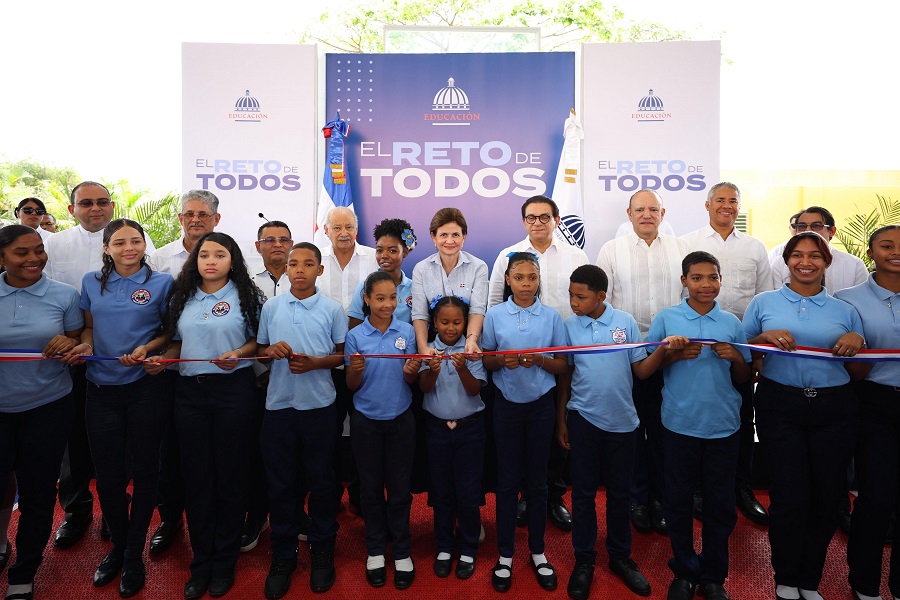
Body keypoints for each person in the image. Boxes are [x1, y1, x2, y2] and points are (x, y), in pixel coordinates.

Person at [744, 231, 867, 600]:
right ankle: (786, 575)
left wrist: (858, 343)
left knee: (827, 496)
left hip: (834, 408)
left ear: (827, 262)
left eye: (815, 256)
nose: (806, 262)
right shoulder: (763, 302)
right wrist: (762, 340)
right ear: (787, 261)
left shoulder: (845, 310)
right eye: (798, 255)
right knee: (789, 495)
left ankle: (810, 579)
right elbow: (744, 359)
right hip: (780, 406)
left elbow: (859, 372)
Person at [145, 232, 264, 599]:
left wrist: (238, 353)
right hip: (189, 395)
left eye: (220, 254)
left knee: (229, 477)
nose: (210, 261)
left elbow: (258, 341)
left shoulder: (247, 295)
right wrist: (162, 360)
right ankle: (202, 562)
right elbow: (178, 342)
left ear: (234, 260)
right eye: (204, 255)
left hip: (234, 392)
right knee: (196, 477)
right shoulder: (181, 296)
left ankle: (225, 560)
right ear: (194, 260)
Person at [67, 219, 173, 598]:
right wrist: (86, 344)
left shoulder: (162, 283)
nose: (129, 247)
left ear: (145, 245)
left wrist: (151, 348)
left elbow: (168, 331)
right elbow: (89, 328)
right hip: (100, 389)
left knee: (146, 472)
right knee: (109, 476)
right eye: (119, 242)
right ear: (107, 248)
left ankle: (132, 554)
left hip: (145, 388)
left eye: (136, 241)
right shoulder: (90, 281)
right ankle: (117, 546)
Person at [557, 264, 671, 600]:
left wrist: (663, 349)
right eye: (571, 295)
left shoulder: (625, 322)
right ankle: (584, 560)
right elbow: (566, 374)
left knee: (621, 496)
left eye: (581, 296)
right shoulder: (568, 326)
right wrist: (561, 419)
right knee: (583, 495)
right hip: (583, 420)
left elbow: (642, 371)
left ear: (601, 296)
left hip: (623, 423)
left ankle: (621, 557)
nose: (574, 302)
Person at [646, 252, 752, 600]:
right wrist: (670, 352)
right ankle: (684, 570)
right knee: (676, 500)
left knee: (720, 504)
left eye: (713, 277)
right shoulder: (667, 318)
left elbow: (743, 377)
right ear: (684, 282)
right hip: (678, 425)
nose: (706, 284)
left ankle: (713, 575)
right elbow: (649, 369)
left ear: (720, 280)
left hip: (724, 426)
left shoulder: (733, 323)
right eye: (697, 278)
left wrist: (737, 357)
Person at [488, 195, 589, 532]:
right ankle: (525, 496)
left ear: (557, 220)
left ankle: (553, 495)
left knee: (558, 425)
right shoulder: (507, 256)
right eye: (531, 218)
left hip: (562, 351)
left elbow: (584, 301)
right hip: (516, 359)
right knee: (523, 435)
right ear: (523, 221)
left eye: (544, 217)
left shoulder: (575, 256)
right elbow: (493, 303)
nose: (538, 223)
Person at [596, 189, 690, 536]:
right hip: (628, 355)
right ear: (629, 213)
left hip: (670, 354)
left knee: (666, 431)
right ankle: (637, 499)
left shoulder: (680, 249)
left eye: (653, 209)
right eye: (640, 209)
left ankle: (662, 501)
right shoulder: (611, 250)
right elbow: (603, 302)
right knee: (633, 432)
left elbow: (688, 298)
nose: (647, 214)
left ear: (663, 213)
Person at [257, 242, 346, 599]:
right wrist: (271, 352)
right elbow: (262, 352)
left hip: (320, 408)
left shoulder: (332, 308)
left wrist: (315, 363)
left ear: (319, 271)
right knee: (280, 485)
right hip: (278, 408)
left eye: (308, 264)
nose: (299, 270)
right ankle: (284, 554)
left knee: (323, 482)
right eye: (294, 263)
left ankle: (323, 549)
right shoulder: (272, 306)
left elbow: (340, 357)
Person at [0, 225, 83, 600]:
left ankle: (25, 569)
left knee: (37, 491)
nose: (34, 259)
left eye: (39, 250)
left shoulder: (63, 295)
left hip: (48, 407)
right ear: (1, 258)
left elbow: (82, 341)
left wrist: (73, 342)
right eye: (22, 253)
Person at [681, 182, 771, 525]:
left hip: (741, 346)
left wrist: (757, 352)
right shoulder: (689, 242)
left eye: (733, 201)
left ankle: (741, 488)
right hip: (698, 344)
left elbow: (764, 298)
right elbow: (682, 294)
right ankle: (700, 490)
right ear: (707, 206)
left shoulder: (755, 246)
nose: (727, 206)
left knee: (743, 419)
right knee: (699, 416)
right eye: (720, 200)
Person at [481, 252, 568, 593]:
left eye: (532, 277)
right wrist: (501, 362)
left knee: (537, 483)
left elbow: (563, 365)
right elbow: (487, 360)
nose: (526, 284)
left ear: (538, 280)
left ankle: (537, 551)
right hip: (505, 407)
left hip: (540, 409)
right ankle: (505, 555)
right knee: (506, 483)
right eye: (519, 278)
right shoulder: (494, 315)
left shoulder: (551, 317)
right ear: (507, 280)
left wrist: (543, 361)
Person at [145, 189, 222, 556]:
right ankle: (170, 519)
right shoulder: (159, 260)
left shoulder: (227, 257)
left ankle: (220, 523)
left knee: (214, 453)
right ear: (179, 219)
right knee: (170, 451)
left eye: (203, 215)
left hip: (214, 373)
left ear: (216, 220)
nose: (196, 219)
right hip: (167, 366)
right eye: (189, 213)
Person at [345, 272, 421, 590]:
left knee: (401, 491)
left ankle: (402, 552)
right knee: (371, 492)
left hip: (401, 420)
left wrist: (410, 372)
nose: (387, 304)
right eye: (380, 298)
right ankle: (376, 550)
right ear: (366, 299)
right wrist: (354, 371)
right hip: (366, 422)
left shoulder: (406, 332)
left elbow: (412, 382)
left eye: (392, 298)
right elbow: (351, 386)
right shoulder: (355, 336)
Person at [836, 225, 900, 600]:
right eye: (886, 246)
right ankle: (864, 584)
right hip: (872, 402)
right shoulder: (848, 299)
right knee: (876, 496)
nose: (895, 252)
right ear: (871, 251)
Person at [418, 296, 487, 581]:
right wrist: (431, 371)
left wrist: (461, 367)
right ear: (434, 323)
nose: (450, 327)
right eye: (444, 322)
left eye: (457, 322)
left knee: (468, 492)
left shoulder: (472, 351)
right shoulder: (427, 350)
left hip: (470, 429)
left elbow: (474, 391)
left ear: (466, 323)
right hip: (436, 430)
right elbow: (423, 387)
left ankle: (469, 547)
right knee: (442, 491)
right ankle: (445, 547)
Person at [317, 207, 377, 511]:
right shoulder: (315, 261)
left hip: (363, 363)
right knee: (327, 432)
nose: (343, 233)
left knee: (363, 434)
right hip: (325, 363)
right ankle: (327, 494)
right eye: (337, 227)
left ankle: (360, 494)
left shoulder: (373, 259)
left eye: (349, 227)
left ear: (357, 228)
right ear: (325, 230)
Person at [241, 220, 294, 554]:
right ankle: (257, 514)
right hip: (256, 381)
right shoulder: (244, 284)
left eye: (283, 239)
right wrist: (262, 370)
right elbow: (243, 331)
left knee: (293, 453)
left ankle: (293, 514)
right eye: (269, 239)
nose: (277, 244)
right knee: (255, 453)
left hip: (297, 381)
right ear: (258, 246)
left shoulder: (306, 278)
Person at [412, 207, 489, 356]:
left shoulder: (479, 267)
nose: (450, 241)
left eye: (455, 234)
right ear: (433, 237)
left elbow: (477, 309)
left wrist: (471, 340)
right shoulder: (420, 269)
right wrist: (422, 348)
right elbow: (419, 314)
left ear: (464, 236)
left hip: (469, 346)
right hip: (433, 347)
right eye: (443, 235)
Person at [769, 206, 868, 292]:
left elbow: (860, 302)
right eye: (802, 226)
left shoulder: (854, 265)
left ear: (831, 231)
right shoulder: (780, 262)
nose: (808, 230)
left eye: (816, 226)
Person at [348, 218, 416, 328]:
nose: (384, 256)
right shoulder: (364, 287)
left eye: (392, 251)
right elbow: (354, 331)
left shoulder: (414, 288)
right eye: (379, 250)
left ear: (405, 252)